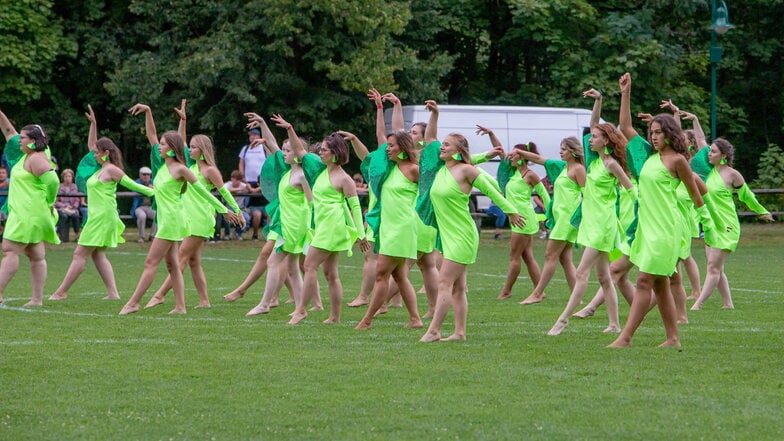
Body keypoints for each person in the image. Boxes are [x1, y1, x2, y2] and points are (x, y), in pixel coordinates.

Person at [608, 112, 714, 347]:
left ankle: (625, 337)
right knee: (661, 284)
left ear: (669, 134)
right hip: (647, 230)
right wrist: (626, 91)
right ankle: (673, 338)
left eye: (658, 132)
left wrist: (708, 225)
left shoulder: (678, 160)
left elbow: (698, 195)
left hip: (666, 230)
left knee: (644, 280)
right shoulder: (648, 155)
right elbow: (624, 125)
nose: (654, 137)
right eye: (652, 132)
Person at [119, 103, 236, 315]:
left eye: (163, 144)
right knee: (173, 265)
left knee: (150, 262)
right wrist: (148, 111)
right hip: (166, 218)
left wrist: (223, 209)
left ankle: (134, 302)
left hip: (173, 220)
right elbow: (151, 134)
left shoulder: (181, 168)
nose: (159, 146)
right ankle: (180, 307)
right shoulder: (163, 166)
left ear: (172, 149)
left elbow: (203, 191)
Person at [419, 132, 525, 342]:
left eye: (447, 145)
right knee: (457, 288)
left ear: (458, 151)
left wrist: (511, 211)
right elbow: (435, 144)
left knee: (444, 282)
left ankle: (434, 330)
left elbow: (492, 192)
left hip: (462, 235)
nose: (442, 147)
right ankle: (460, 333)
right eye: (443, 144)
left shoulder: (466, 170)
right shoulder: (441, 169)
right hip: (448, 236)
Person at [49, 105, 155, 301]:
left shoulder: (112, 170)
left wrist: (158, 192)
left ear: (105, 153)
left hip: (103, 216)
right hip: (97, 216)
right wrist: (94, 124)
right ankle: (113, 293)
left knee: (79, 254)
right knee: (97, 255)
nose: (94, 154)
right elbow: (92, 145)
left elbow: (133, 184)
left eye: (97, 152)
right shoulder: (100, 167)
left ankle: (60, 292)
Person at [272, 114, 369, 325]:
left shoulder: (344, 178)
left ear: (335, 153)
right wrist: (289, 128)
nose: (320, 152)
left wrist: (361, 234)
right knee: (330, 273)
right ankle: (334, 317)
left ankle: (301, 310)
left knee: (309, 265)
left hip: (332, 226)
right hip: (322, 224)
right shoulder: (319, 170)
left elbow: (354, 207)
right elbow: (299, 151)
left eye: (325, 149)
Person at [547, 122, 634, 336]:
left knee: (581, 272)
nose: (590, 140)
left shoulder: (611, 164)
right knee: (604, 278)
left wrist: (642, 215)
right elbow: (594, 122)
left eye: (595, 136)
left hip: (603, 225)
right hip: (591, 223)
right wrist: (598, 100)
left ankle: (563, 320)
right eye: (591, 136)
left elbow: (631, 189)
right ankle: (614, 324)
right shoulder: (594, 161)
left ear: (606, 140)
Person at [690, 138, 774, 310]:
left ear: (723, 156)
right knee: (716, 267)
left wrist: (762, 211)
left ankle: (697, 305)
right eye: (710, 151)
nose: (709, 153)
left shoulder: (732, 174)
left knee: (713, 266)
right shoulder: (708, 171)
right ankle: (728, 304)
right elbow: (700, 140)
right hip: (711, 225)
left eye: (713, 151)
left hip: (728, 226)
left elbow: (747, 196)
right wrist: (694, 119)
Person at [353, 127, 424, 330]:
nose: (387, 149)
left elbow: (430, 189)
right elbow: (369, 159)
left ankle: (366, 320)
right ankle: (415, 319)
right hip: (388, 228)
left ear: (402, 147)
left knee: (381, 274)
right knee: (399, 276)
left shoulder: (413, 169)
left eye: (391, 146)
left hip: (401, 229)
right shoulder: (390, 169)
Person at [244, 113, 313, 316]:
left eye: (288, 150)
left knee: (272, 262)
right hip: (286, 222)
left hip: (294, 225)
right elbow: (273, 145)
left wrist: (311, 227)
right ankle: (301, 308)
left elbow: (312, 203)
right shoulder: (287, 171)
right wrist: (264, 123)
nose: (283, 153)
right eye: (283, 150)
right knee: (291, 267)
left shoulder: (301, 174)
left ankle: (265, 304)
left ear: (298, 153)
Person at [514, 136, 585, 305]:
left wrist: (581, 218)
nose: (561, 151)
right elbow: (538, 159)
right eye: (561, 148)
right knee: (564, 258)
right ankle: (578, 299)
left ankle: (538, 293)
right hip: (560, 217)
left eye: (564, 149)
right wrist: (519, 152)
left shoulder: (579, 169)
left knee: (550, 255)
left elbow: (587, 195)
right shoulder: (561, 167)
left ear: (573, 151)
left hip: (568, 219)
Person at [0, 116, 60, 306]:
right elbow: (9, 131)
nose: (19, 139)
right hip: (33, 214)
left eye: (23, 138)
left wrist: (50, 201)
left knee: (10, 250)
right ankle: (37, 299)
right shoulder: (32, 154)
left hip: (27, 214)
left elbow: (53, 181)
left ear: (33, 141)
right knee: (36, 255)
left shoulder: (36, 158)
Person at [494, 136, 550, 300]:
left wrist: (551, 211)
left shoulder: (530, 175)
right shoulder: (513, 172)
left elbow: (544, 194)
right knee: (527, 256)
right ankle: (540, 291)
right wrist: (491, 134)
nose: (510, 157)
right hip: (517, 218)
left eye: (514, 155)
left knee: (514, 257)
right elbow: (499, 152)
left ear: (522, 156)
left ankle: (506, 291)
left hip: (523, 219)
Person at [239, 127, 268, 240]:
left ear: (259, 136)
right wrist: (242, 177)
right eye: (251, 135)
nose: (252, 137)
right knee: (247, 206)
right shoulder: (245, 148)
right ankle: (243, 229)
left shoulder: (264, 148)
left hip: (262, 181)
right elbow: (241, 163)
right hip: (248, 182)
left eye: (254, 135)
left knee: (265, 207)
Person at [221, 170, 252, 239]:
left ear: (240, 180)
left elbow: (251, 190)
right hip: (228, 208)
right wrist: (240, 189)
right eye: (233, 179)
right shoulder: (228, 184)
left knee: (247, 218)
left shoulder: (244, 185)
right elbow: (225, 190)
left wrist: (249, 187)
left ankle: (238, 233)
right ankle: (227, 234)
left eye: (236, 180)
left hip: (241, 209)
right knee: (227, 218)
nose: (234, 181)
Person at [55, 168, 82, 242]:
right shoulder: (59, 187)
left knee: (75, 216)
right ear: (63, 178)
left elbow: (77, 199)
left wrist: (74, 206)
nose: (67, 178)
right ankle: (61, 236)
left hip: (72, 208)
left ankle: (77, 235)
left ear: (72, 177)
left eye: (69, 176)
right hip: (62, 208)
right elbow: (55, 201)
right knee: (63, 216)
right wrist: (64, 206)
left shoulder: (75, 186)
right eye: (66, 176)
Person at [130, 166, 156, 242]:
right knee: (142, 216)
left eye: (148, 174)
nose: (146, 176)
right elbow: (134, 189)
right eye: (144, 174)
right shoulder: (137, 182)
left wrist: (154, 188)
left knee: (158, 215)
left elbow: (160, 189)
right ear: (140, 174)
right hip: (139, 207)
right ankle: (142, 237)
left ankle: (152, 236)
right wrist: (148, 189)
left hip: (150, 207)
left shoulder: (154, 182)